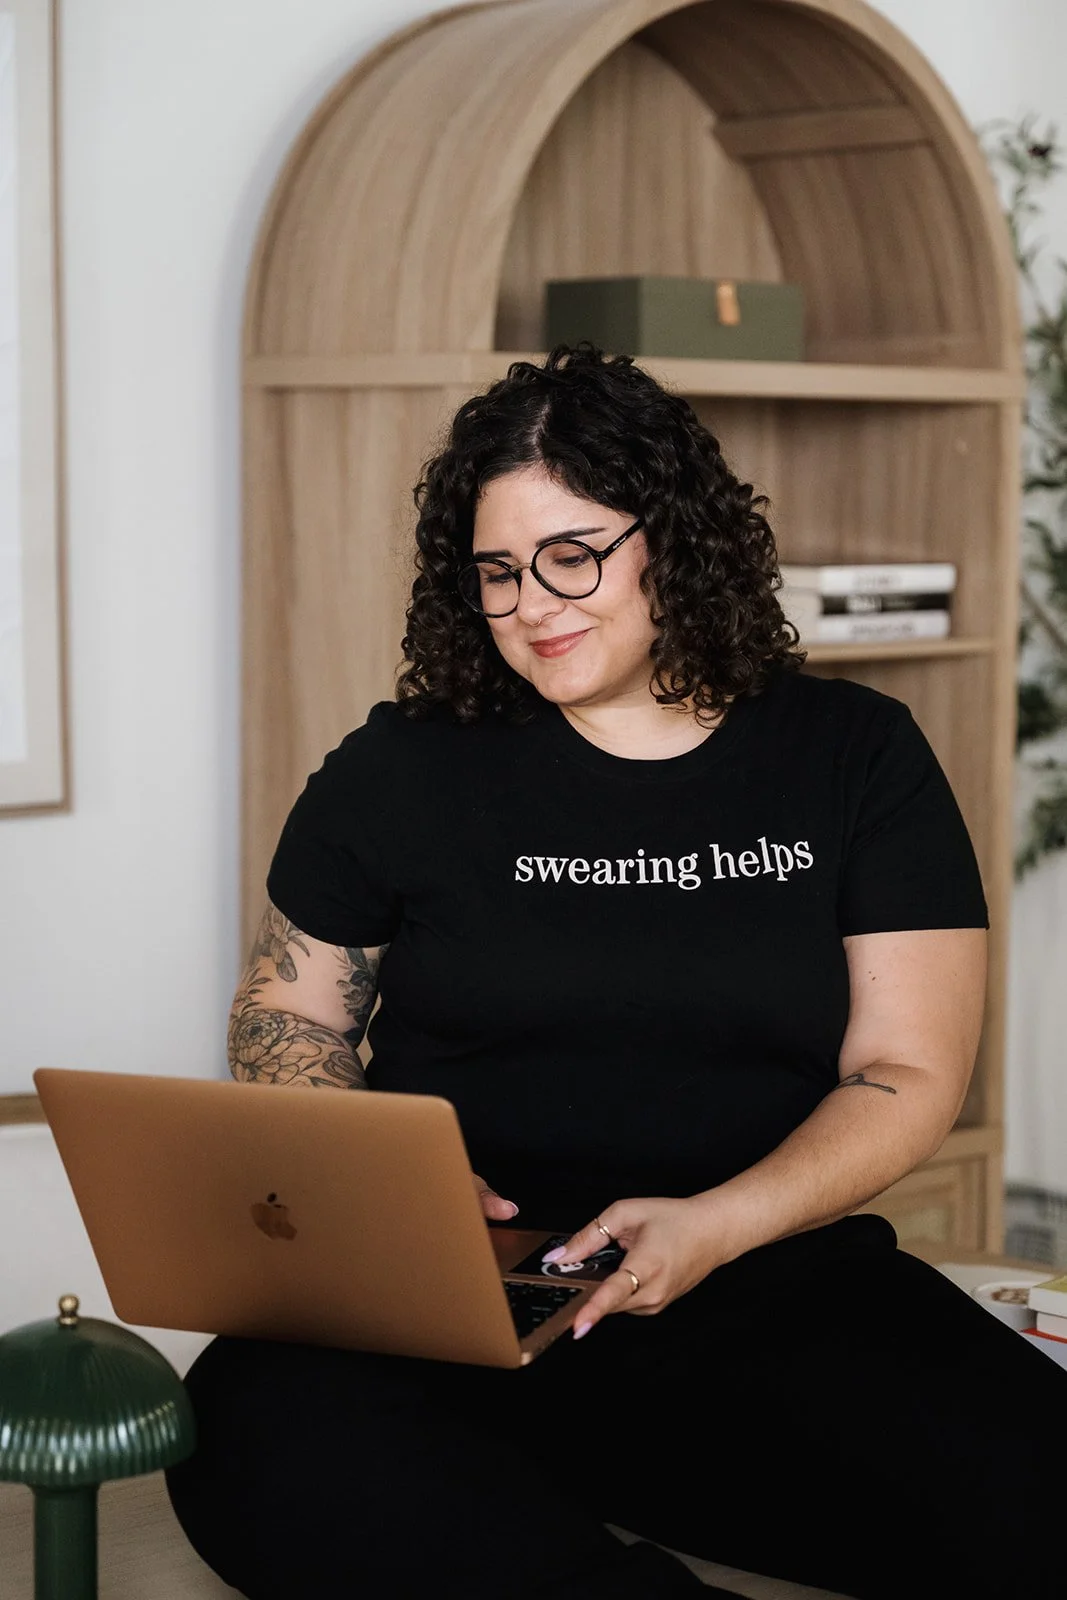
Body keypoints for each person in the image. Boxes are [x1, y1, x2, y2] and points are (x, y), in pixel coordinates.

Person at [167, 345, 1067, 1600]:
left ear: (673, 538)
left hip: (761, 1281)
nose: (535, 602)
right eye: (496, 571)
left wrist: (709, 1226)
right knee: (243, 1434)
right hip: (458, 1300)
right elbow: (287, 1010)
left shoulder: (853, 754)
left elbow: (905, 1069)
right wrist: (387, 1182)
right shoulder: (399, 771)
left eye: (572, 553)